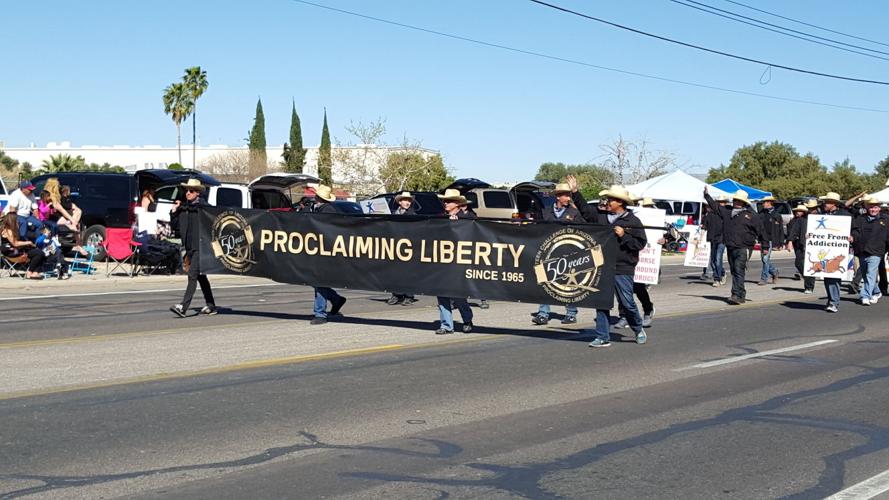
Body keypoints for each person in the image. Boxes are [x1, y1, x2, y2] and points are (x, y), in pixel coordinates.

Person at [568, 176, 648, 348]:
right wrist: (575, 192)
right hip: (603, 265)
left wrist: (624, 235)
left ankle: (638, 328)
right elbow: (585, 210)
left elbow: (639, 244)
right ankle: (602, 336)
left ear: (620, 202)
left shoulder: (633, 221)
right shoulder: (602, 217)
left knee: (627, 303)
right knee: (601, 302)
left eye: (611, 199)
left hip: (623, 267)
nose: (608, 202)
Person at [531, 183, 585, 325]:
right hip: (548, 252)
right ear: (558, 196)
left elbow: (584, 229)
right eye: (565, 195)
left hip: (568, 252)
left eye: (569, 195)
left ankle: (571, 313)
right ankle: (543, 313)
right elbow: (538, 229)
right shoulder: (546, 211)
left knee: (569, 283)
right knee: (545, 282)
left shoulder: (574, 213)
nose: (568, 198)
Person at [704, 188, 762, 305]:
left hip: (744, 247)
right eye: (735, 200)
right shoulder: (727, 212)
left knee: (738, 269)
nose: (737, 202)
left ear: (744, 202)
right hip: (730, 246)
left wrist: (765, 246)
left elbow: (760, 230)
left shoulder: (751, 215)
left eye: (739, 201)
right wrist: (707, 195)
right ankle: (741, 294)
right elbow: (715, 207)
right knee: (734, 271)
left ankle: (736, 295)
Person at [169, 178, 217, 318]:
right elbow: (175, 227)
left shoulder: (205, 208)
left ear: (198, 193)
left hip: (201, 247)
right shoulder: (185, 208)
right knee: (201, 277)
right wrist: (174, 212)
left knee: (192, 275)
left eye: (191, 191)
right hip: (189, 247)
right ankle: (211, 305)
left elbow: (213, 224)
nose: (187, 193)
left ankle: (183, 307)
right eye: (186, 191)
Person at [434, 189, 475, 334]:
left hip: (459, 261)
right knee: (442, 293)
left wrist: (457, 225)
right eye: (445, 201)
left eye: (449, 201)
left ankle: (467, 319)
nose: (445, 203)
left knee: (458, 295)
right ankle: (446, 325)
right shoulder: (440, 217)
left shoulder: (468, 217)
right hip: (442, 261)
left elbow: (472, 235)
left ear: (457, 203)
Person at [308, 184, 347, 325]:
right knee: (314, 280)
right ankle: (336, 299)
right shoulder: (319, 208)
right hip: (317, 248)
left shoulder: (328, 210)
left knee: (319, 280)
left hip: (325, 249)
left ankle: (320, 313)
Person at [850, 196, 889, 306]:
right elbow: (855, 232)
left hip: (877, 251)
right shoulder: (861, 219)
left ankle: (865, 295)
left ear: (879, 208)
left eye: (875, 207)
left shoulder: (886, 219)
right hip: (862, 250)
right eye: (871, 207)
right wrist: (853, 238)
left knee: (870, 273)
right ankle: (876, 292)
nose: (873, 209)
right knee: (866, 274)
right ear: (867, 207)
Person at [818, 192, 852, 313]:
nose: (824, 204)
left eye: (827, 202)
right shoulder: (821, 216)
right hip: (826, 250)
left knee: (834, 276)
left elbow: (855, 231)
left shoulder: (845, 215)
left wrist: (852, 237)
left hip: (838, 250)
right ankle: (832, 300)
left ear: (834, 204)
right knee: (827, 277)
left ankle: (833, 302)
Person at [386, 192, 418, 306]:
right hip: (394, 245)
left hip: (407, 247)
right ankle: (396, 294)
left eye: (409, 200)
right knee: (394, 271)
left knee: (407, 271)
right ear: (400, 202)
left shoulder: (413, 214)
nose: (407, 202)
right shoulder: (393, 214)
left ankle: (409, 295)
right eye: (405, 200)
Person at [0, 213, 45, 279]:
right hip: (12, 253)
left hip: (17, 250)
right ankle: (30, 272)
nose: (18, 221)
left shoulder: (12, 229)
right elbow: (15, 243)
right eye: (16, 219)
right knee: (39, 253)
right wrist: (28, 242)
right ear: (12, 220)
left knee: (40, 252)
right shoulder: (7, 230)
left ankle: (35, 272)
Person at [786, 202, 814, 293]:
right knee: (799, 263)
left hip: (808, 244)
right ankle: (809, 280)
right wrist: (789, 241)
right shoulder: (794, 220)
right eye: (797, 210)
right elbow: (792, 232)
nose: (798, 212)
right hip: (798, 244)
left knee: (803, 263)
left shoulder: (807, 220)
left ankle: (809, 284)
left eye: (801, 211)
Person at [757, 196, 785, 286]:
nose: (763, 204)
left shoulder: (777, 215)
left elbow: (781, 229)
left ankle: (764, 278)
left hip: (771, 240)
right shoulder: (761, 214)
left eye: (764, 202)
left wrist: (781, 242)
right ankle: (774, 271)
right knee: (764, 259)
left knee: (765, 259)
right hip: (763, 239)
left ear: (769, 203)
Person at [702, 195, 727, 286]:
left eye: (723, 202)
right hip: (712, 239)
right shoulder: (710, 214)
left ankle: (717, 278)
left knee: (717, 259)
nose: (721, 204)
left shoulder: (726, 213)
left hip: (722, 239)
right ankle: (722, 273)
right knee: (713, 260)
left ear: (725, 203)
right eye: (719, 202)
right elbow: (704, 225)